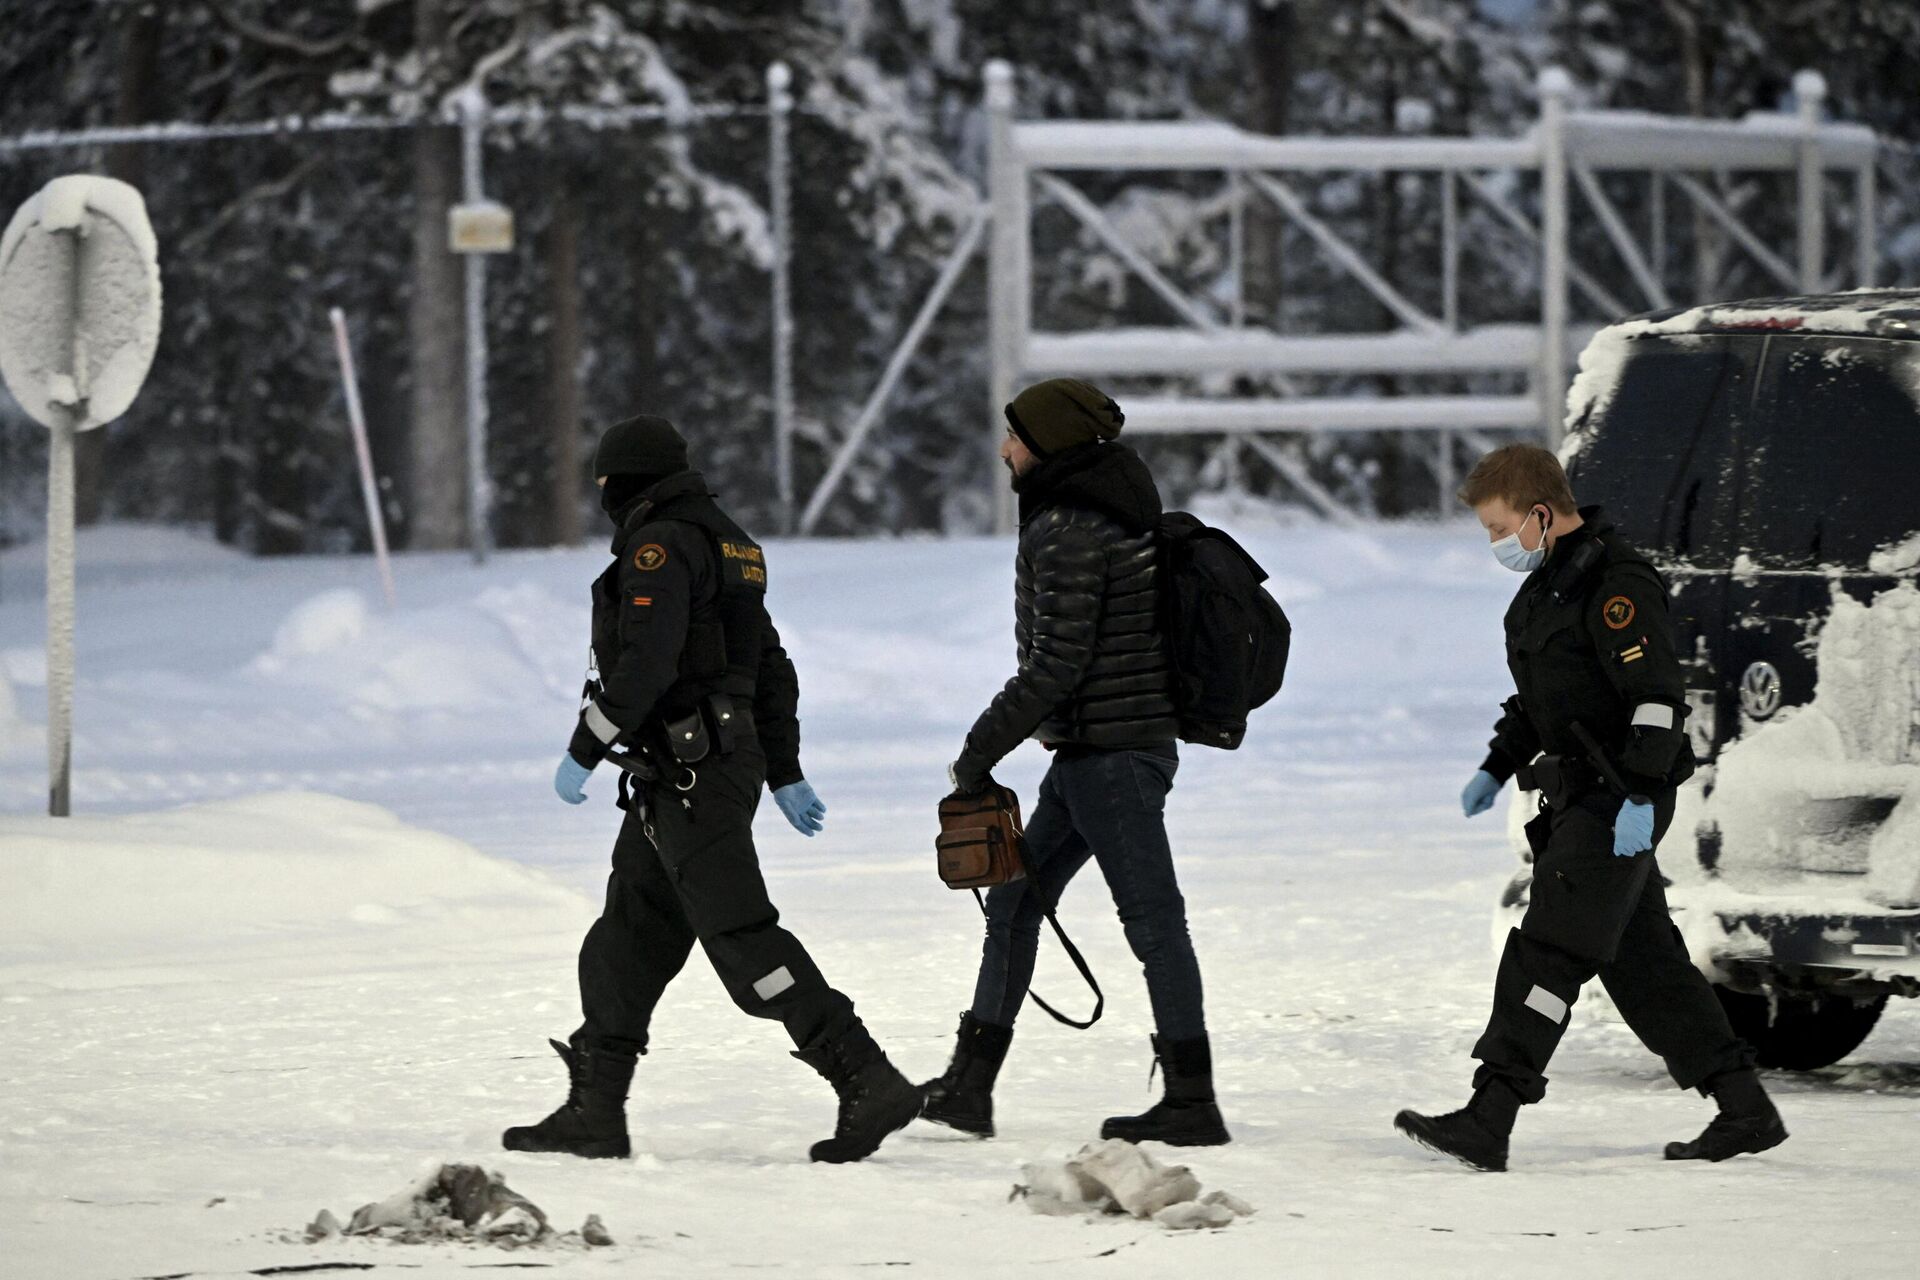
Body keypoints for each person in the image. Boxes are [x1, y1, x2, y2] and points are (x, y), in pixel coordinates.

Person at [503, 414, 920, 1164]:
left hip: (693, 773)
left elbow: (647, 664)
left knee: (741, 940)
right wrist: (783, 769)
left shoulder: (662, 545)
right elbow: (770, 666)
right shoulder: (733, 542)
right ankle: (596, 1111)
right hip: (690, 772)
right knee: (626, 940)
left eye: (603, 480)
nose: (599, 493)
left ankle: (868, 1076)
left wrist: (585, 748)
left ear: (624, 479)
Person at [1395, 443, 1787, 1172]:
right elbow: (1544, 698)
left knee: (1551, 950)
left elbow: (1659, 704)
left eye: (1497, 527)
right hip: (1584, 793)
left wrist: (1639, 796)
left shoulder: (1617, 585)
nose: (1494, 543)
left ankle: (1492, 1110)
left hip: (1617, 798)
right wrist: (1495, 764)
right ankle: (1745, 1108)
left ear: (1541, 514)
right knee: (1646, 964)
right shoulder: (1549, 587)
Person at [921, 378, 1228, 1147]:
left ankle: (1193, 1100)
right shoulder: (1112, 511)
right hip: (1096, 753)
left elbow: (1054, 665)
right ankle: (969, 1088)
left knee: (1155, 924)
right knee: (1018, 905)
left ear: (1049, 443)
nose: (1004, 450)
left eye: (1015, 437)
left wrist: (976, 752)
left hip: (1112, 758)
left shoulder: (1066, 529)